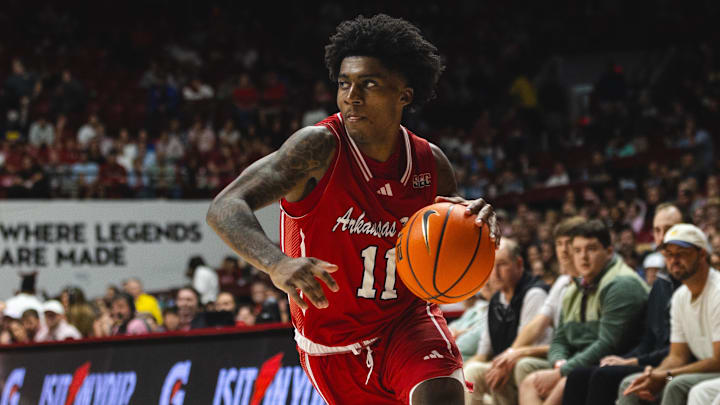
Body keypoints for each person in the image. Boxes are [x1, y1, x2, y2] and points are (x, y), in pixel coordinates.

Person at [206, 14, 499, 405]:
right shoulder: (317, 148)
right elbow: (226, 205)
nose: (351, 96)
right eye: (344, 83)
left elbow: (447, 241)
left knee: (442, 392)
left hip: (406, 323)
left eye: (369, 83)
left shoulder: (431, 165)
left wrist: (475, 225)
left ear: (404, 95)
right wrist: (275, 263)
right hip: (330, 346)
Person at [562, 203, 683, 405]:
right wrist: (626, 360)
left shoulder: (691, 285)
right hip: (656, 362)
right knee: (579, 375)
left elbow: (680, 352)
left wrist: (634, 361)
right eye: (657, 230)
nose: (662, 237)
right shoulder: (661, 282)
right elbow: (648, 339)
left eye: (669, 229)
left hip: (677, 369)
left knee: (604, 377)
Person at [519, 219, 649, 405]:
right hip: (580, 364)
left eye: (591, 249)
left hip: (614, 364)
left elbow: (608, 345)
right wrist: (559, 362)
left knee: (567, 382)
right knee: (529, 383)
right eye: (578, 250)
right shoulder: (575, 286)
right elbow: (559, 339)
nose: (583, 257)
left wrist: (562, 372)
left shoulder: (621, 284)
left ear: (609, 251)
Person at [474, 216, 585, 405]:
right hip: (561, 357)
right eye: (559, 244)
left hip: (573, 360)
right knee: (481, 370)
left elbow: (579, 345)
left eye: (569, 243)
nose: (564, 251)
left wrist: (517, 354)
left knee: (520, 366)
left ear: (519, 264)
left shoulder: (536, 292)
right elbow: (537, 325)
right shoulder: (561, 282)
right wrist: (510, 354)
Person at [619, 224, 720, 405]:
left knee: (675, 384)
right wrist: (654, 375)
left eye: (681, 253)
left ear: (702, 254)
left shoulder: (717, 292)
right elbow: (677, 356)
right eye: (668, 254)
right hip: (695, 373)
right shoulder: (680, 297)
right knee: (632, 384)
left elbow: (718, 361)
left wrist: (666, 375)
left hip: (715, 372)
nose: (674, 260)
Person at [464, 239, 550, 405]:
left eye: (502, 264)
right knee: (472, 373)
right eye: (491, 265)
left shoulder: (534, 293)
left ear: (519, 264)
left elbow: (529, 346)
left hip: (533, 361)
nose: (495, 273)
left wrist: (503, 363)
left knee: (505, 371)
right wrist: (456, 374)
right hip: (505, 364)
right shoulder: (495, 300)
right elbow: (483, 354)